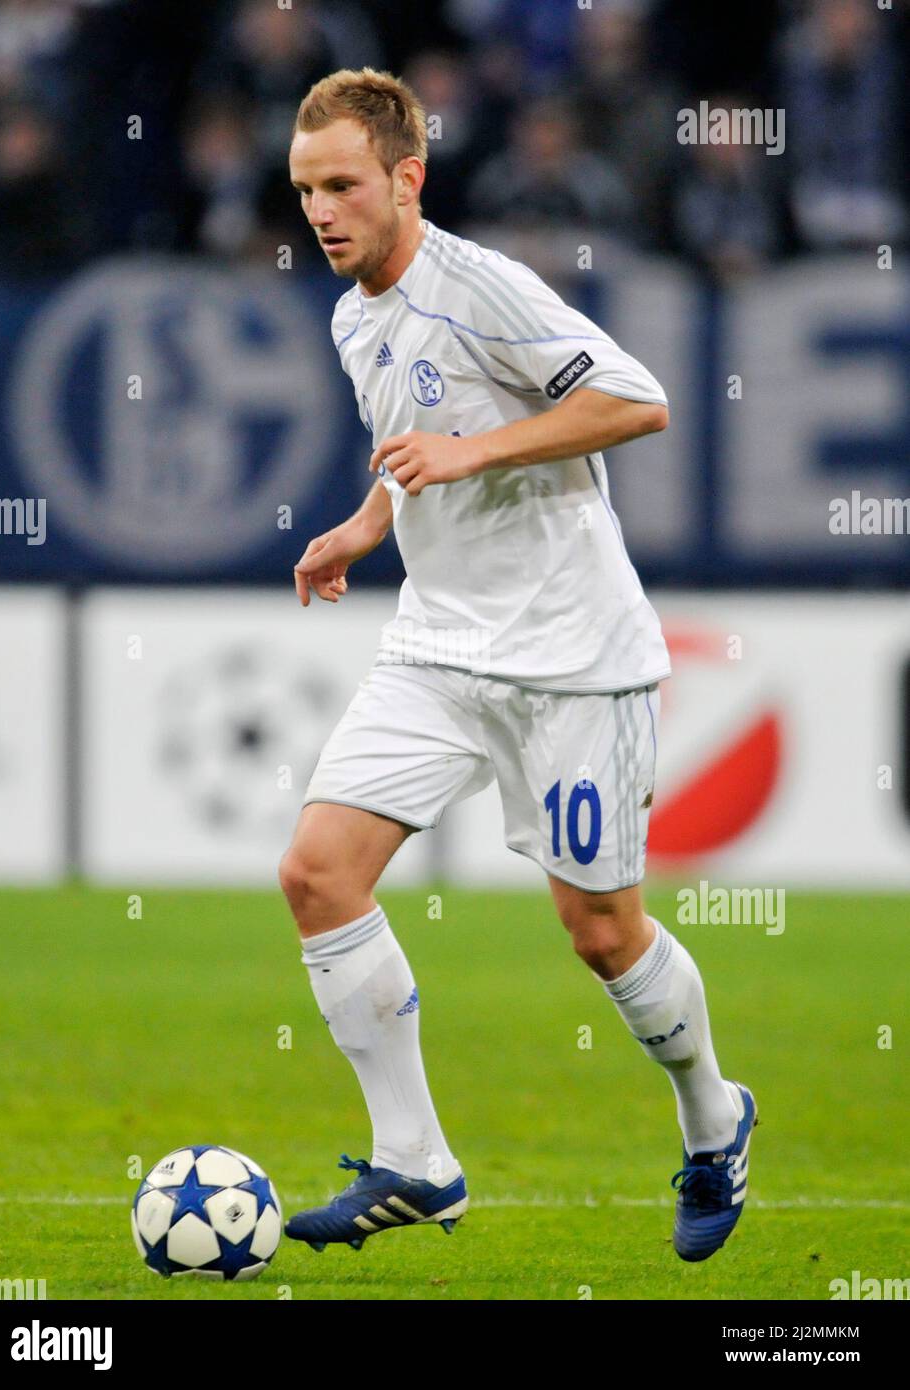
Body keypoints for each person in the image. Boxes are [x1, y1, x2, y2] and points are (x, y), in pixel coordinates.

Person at [280, 66, 756, 1263]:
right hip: (438, 645)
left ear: (405, 179)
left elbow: (635, 399)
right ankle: (417, 1162)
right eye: (303, 191)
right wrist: (370, 519)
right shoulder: (351, 315)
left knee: (599, 931)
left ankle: (713, 1117)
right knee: (316, 873)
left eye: (342, 186)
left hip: (571, 657)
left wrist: (472, 449)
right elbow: (410, 446)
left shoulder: (479, 288)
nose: (321, 212)